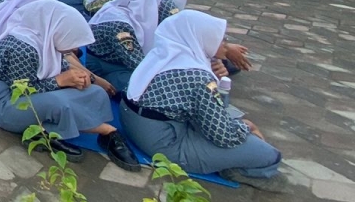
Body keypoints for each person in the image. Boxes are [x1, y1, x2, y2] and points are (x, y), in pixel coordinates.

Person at [121, 11, 284, 191]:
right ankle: (236, 170)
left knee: (227, 121)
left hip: (134, 123)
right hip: (166, 143)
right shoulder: (197, 76)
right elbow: (224, 136)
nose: (226, 45)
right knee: (268, 155)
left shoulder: (164, 54)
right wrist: (247, 127)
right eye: (221, 39)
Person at [0, 0, 139, 170]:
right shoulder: (22, 47)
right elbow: (22, 92)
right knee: (58, 103)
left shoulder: (47, 38)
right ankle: (106, 131)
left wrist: (79, 79)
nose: (74, 47)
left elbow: (62, 68)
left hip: (36, 94)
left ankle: (42, 131)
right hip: (6, 104)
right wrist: (61, 81)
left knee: (95, 92)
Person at [85, 0, 162, 92]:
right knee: (152, 90)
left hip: (120, 63)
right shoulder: (120, 23)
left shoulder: (120, 8)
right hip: (107, 69)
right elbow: (135, 62)